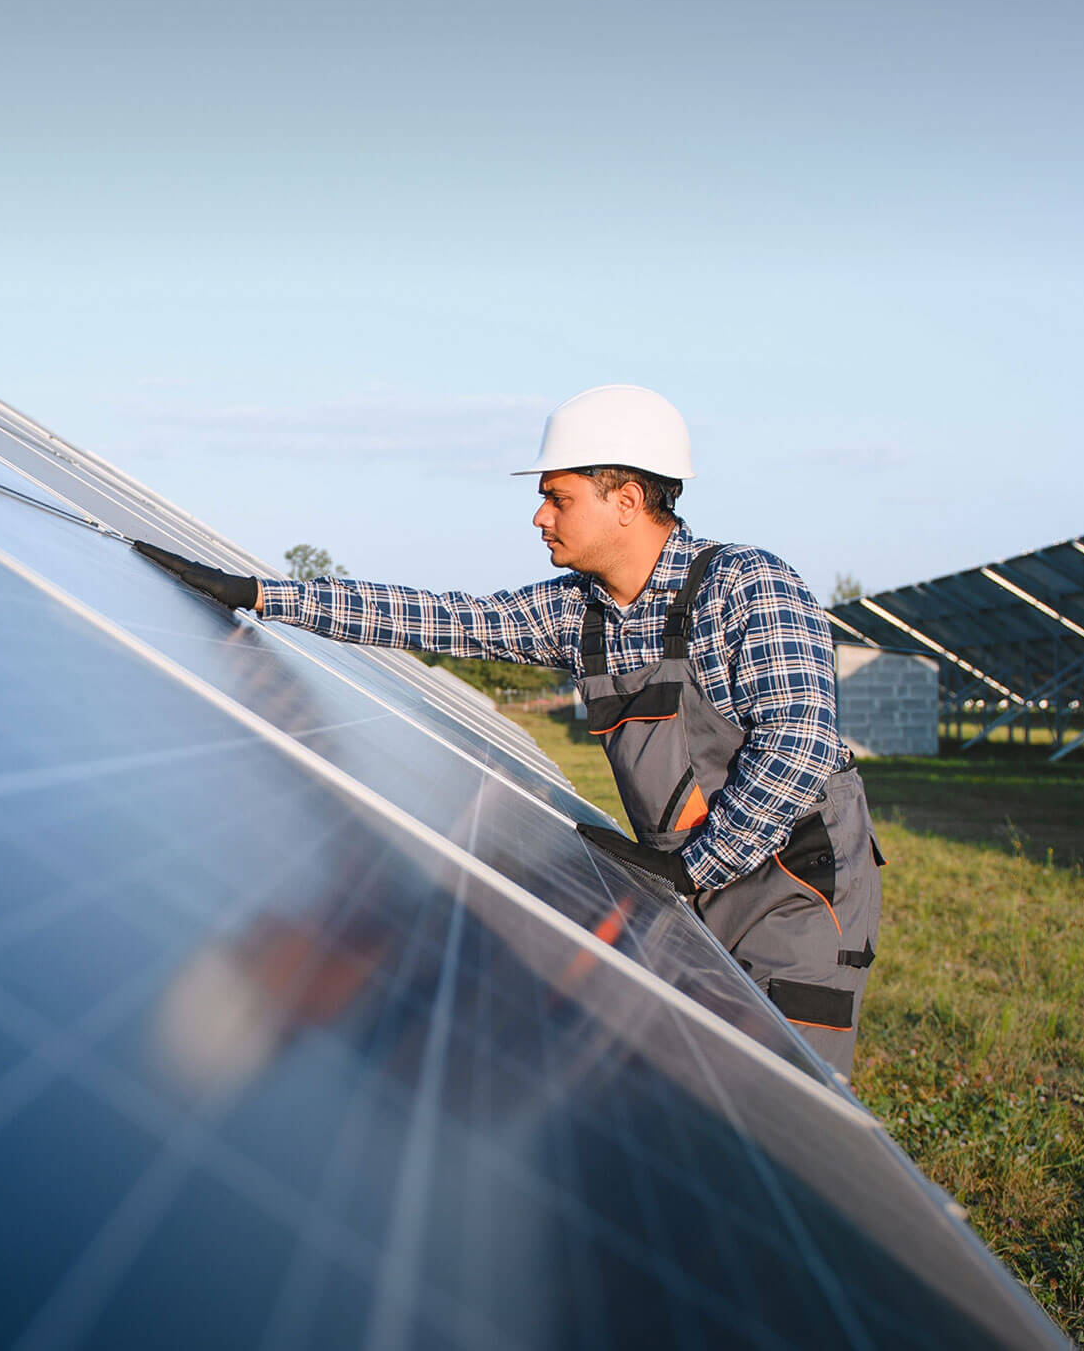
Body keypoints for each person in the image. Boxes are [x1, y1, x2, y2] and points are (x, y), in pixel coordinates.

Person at [134, 384, 882, 1076]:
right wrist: (267, 595)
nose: (539, 516)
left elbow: (800, 743)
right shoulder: (580, 615)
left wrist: (694, 869)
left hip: (796, 888)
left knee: (780, 1094)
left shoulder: (747, 585)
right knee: (690, 1081)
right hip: (688, 880)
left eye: (558, 498)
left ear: (625, 500)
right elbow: (444, 616)